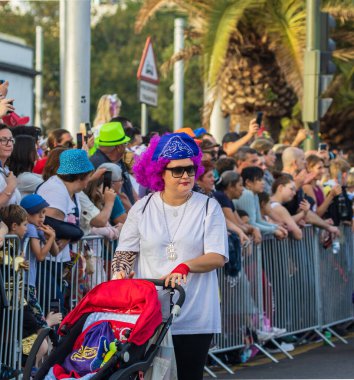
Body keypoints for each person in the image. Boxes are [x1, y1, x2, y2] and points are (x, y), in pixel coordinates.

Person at [111, 132, 228, 380]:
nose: (185, 175)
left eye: (189, 169)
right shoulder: (142, 208)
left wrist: (185, 266)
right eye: (177, 170)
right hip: (150, 313)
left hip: (194, 313)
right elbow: (125, 250)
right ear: (160, 172)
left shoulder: (208, 206)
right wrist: (120, 272)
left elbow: (217, 256)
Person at [19, 194, 62, 328]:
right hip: (25, 282)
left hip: (29, 282)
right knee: (37, 320)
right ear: (27, 215)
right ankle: (50, 343)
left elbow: (55, 252)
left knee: (30, 319)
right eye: (38, 213)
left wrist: (51, 237)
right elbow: (40, 256)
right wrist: (51, 238)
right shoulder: (30, 228)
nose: (42, 217)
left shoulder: (36, 228)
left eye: (44, 213)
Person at [90, 122, 136, 205]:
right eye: (125, 143)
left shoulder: (118, 159)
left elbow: (129, 187)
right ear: (118, 147)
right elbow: (118, 197)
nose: (126, 147)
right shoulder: (100, 166)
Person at [0, 124, 21, 206]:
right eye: (3, 140)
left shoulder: (6, 169)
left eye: (11, 140)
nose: (9, 144)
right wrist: (11, 186)